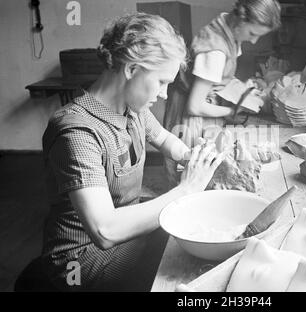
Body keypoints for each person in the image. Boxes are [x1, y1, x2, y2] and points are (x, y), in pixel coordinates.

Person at [38, 13, 224, 291]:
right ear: (131, 70)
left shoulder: (133, 109)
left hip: (122, 235)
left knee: (194, 231)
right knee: (186, 249)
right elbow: (105, 230)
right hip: (80, 261)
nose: (164, 93)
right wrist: (187, 189)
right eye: (161, 81)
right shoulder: (76, 131)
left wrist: (192, 156)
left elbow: (165, 139)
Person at [163, 0, 281, 188]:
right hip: (191, 115)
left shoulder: (227, 24)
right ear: (241, 18)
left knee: (210, 170)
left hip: (204, 104)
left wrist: (243, 88)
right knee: (189, 176)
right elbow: (195, 106)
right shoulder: (215, 50)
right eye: (252, 33)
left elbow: (219, 77)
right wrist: (230, 111)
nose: (253, 41)